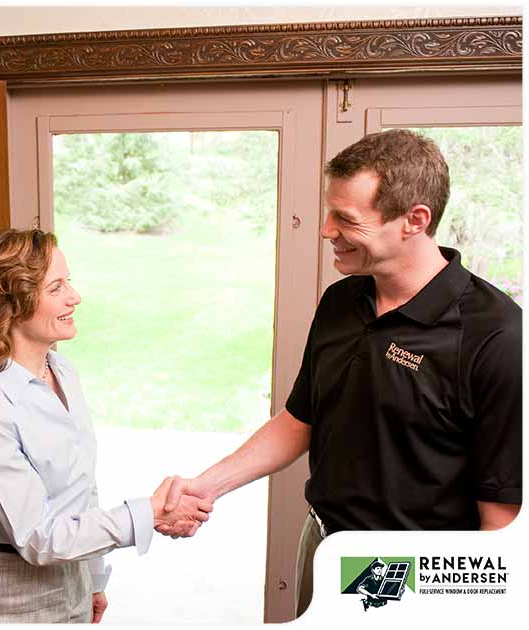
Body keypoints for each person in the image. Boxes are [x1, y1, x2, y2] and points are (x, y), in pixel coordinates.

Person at [158, 129, 522, 616]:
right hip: (323, 538)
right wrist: (206, 487)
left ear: (415, 220)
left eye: (347, 219)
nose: (327, 230)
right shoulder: (341, 301)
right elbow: (300, 420)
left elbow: (500, 515)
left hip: (411, 571)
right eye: (330, 212)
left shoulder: (496, 335)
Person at [0, 229, 213, 623]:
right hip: (14, 599)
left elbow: (80, 488)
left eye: (68, 282)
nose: (74, 297)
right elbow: (38, 537)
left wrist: (93, 578)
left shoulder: (60, 370)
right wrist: (149, 512)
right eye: (56, 287)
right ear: (11, 304)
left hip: (71, 577)